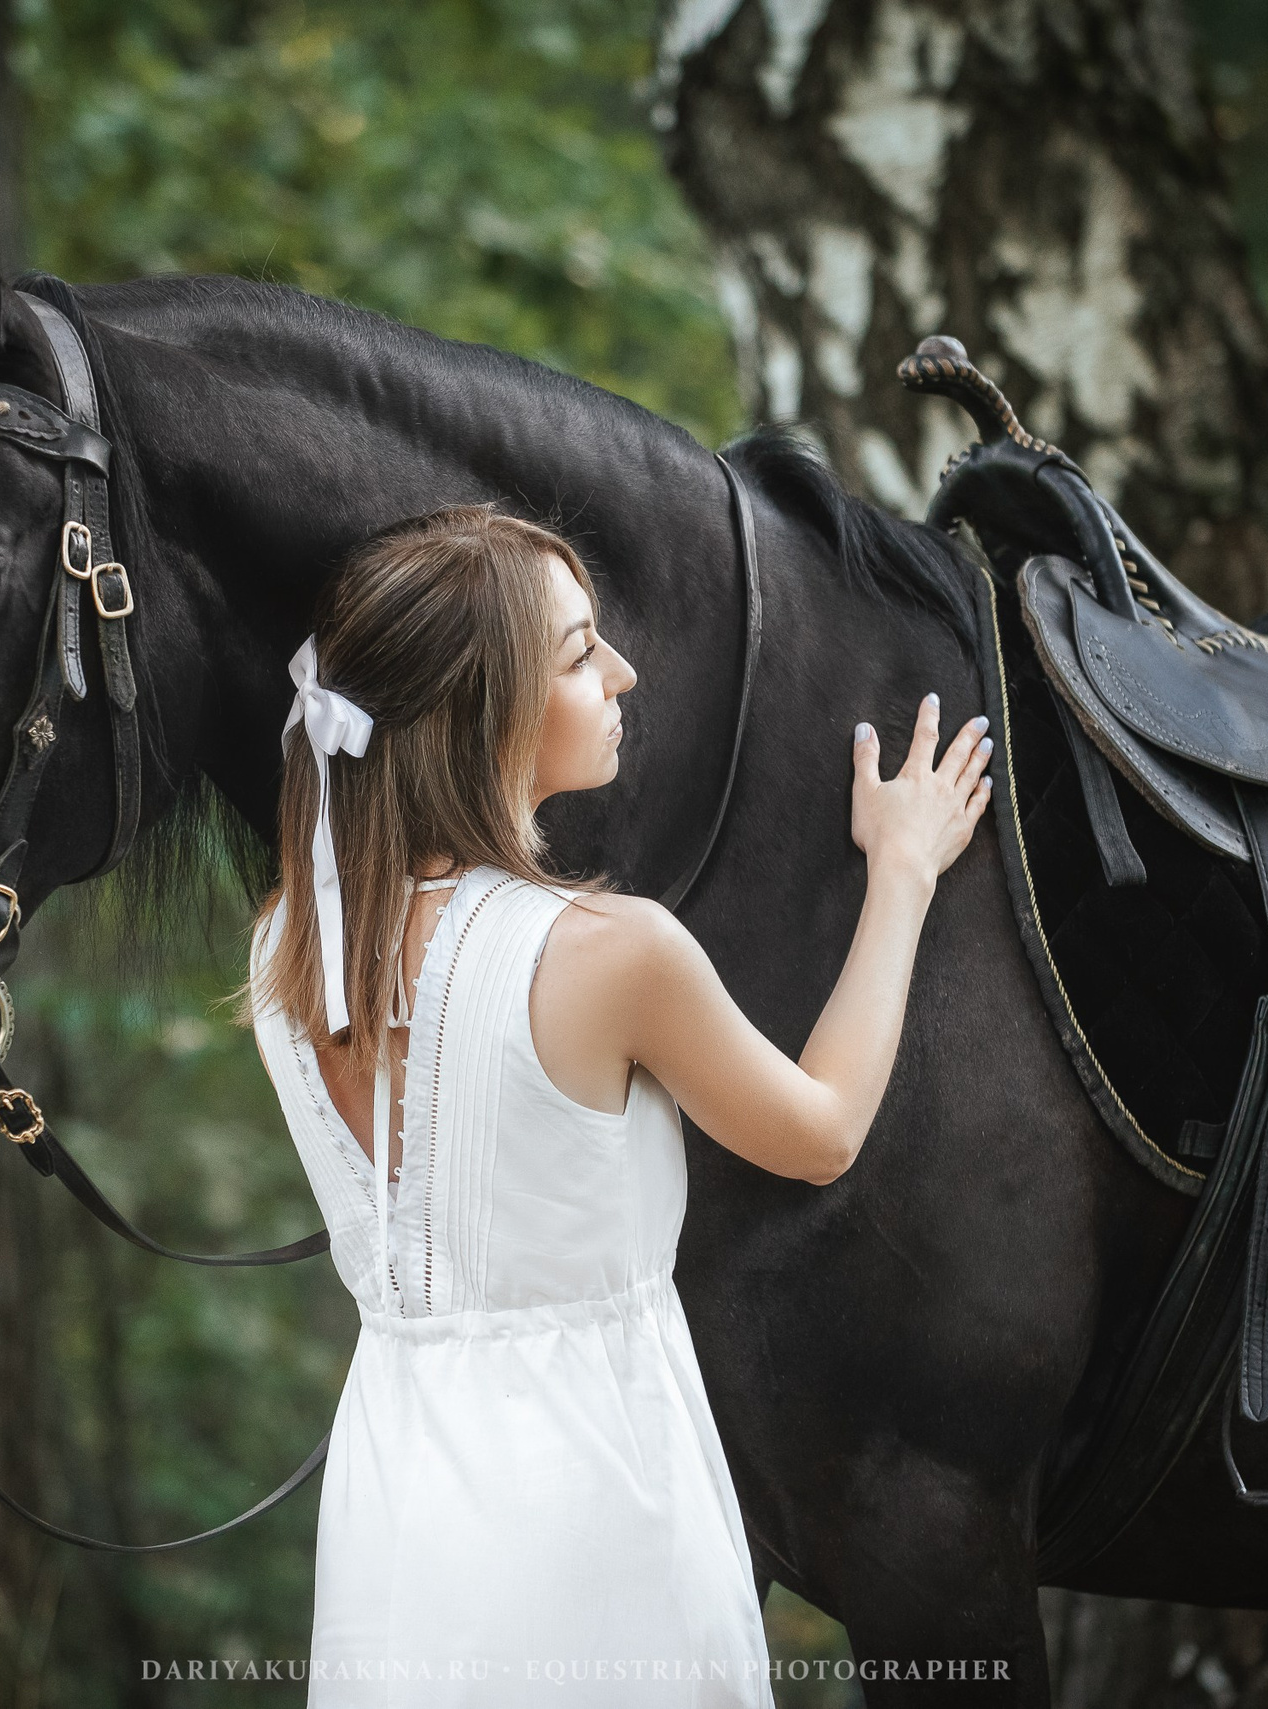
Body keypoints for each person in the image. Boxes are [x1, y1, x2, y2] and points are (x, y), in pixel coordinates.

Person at [246, 504, 992, 1706]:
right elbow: (823, 1131)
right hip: (597, 1492)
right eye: (581, 650)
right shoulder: (608, 953)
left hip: (396, 1506)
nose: (623, 672)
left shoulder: (287, 949)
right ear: (485, 705)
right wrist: (899, 874)